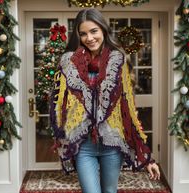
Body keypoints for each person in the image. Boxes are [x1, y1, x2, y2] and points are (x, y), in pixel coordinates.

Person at [50, 8, 160, 193]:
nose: (89, 38)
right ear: (78, 36)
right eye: (83, 33)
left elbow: (128, 109)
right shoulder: (68, 63)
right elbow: (58, 103)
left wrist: (146, 157)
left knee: (110, 191)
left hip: (112, 143)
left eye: (94, 31)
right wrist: (62, 135)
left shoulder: (118, 61)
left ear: (103, 30)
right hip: (83, 145)